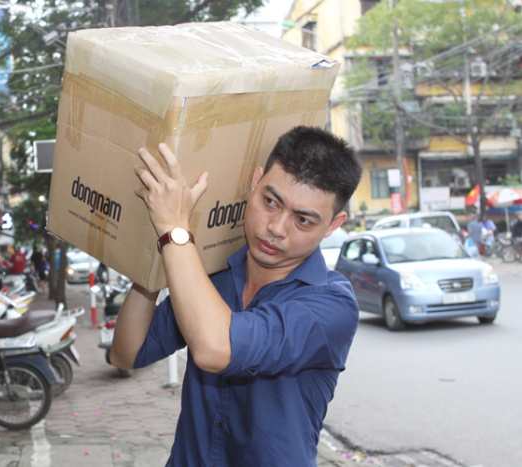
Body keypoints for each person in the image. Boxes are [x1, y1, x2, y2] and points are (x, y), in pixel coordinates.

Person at [110, 126, 363, 466]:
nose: (276, 228)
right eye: (270, 202)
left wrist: (174, 230)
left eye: (303, 220)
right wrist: (156, 254)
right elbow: (126, 354)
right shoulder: (214, 275)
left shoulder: (331, 305)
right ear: (254, 182)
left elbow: (215, 348)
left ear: (333, 225)